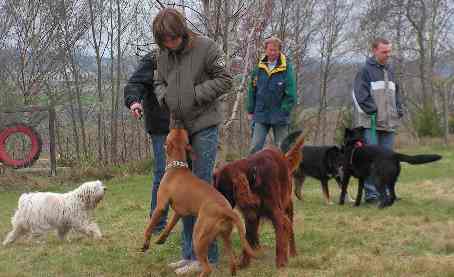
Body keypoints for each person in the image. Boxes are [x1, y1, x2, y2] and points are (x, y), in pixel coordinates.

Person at [152, 8, 233, 275]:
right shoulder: (163, 54)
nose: (169, 44)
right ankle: (188, 254)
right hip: (178, 128)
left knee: (202, 189)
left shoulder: (207, 48)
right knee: (182, 194)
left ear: (182, 32)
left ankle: (206, 257)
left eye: (172, 39)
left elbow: (225, 80)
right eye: (163, 40)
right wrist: (165, 97)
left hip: (204, 125)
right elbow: (158, 81)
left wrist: (194, 94)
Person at [352, 37, 404, 204]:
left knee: (387, 161)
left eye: (389, 51)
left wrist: (399, 109)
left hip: (389, 123)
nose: (388, 54)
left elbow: (396, 93)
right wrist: (372, 110)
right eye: (384, 51)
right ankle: (371, 195)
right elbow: (360, 95)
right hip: (371, 123)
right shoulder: (365, 71)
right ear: (374, 50)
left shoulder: (391, 70)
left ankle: (387, 193)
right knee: (370, 161)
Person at [124, 51, 170, 234]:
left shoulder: (188, 55)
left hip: (187, 123)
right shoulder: (153, 59)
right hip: (161, 124)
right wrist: (134, 102)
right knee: (163, 174)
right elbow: (135, 83)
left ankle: (194, 222)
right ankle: (157, 224)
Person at [246, 36, 297, 154]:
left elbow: (291, 93)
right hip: (261, 114)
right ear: (266, 50)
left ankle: (285, 172)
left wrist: (285, 110)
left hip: (279, 115)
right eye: (270, 49)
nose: (272, 52)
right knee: (254, 148)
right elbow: (252, 89)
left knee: (283, 150)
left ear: (279, 50)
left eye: (275, 50)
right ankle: (253, 172)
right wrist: (250, 109)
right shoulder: (259, 68)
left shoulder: (286, 69)